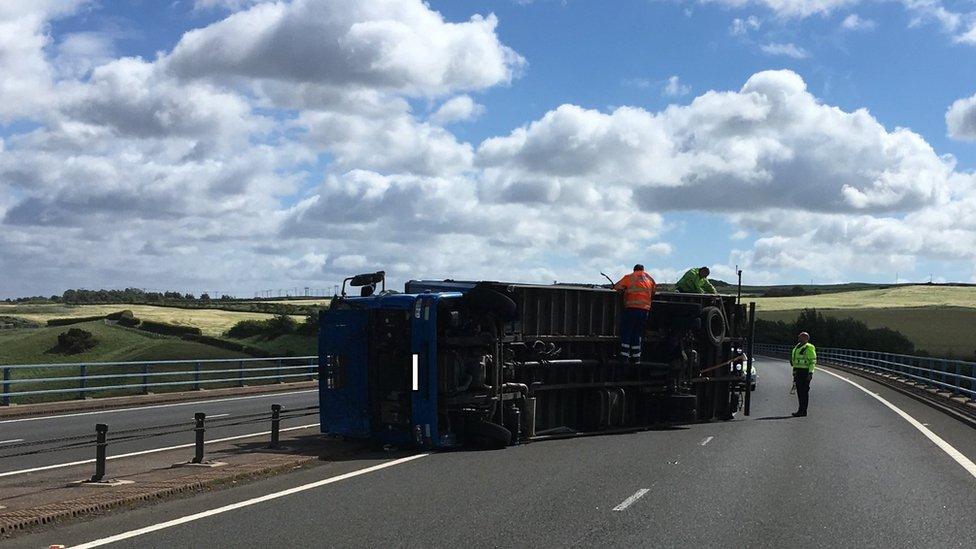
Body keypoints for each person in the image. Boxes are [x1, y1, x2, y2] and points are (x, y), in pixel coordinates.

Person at [614, 264, 656, 363]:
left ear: (634, 270)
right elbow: (653, 292)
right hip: (645, 310)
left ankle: (624, 357)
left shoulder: (629, 277)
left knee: (627, 331)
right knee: (637, 333)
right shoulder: (650, 279)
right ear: (643, 270)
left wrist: (624, 290)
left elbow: (616, 287)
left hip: (632, 308)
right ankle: (636, 358)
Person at [790, 331, 816, 417]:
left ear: (806, 338)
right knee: (800, 392)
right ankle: (801, 410)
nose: (799, 338)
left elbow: (812, 361)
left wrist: (810, 373)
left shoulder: (808, 347)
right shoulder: (797, 346)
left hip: (805, 372)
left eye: (801, 337)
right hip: (797, 371)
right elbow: (796, 358)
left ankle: (803, 411)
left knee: (803, 392)